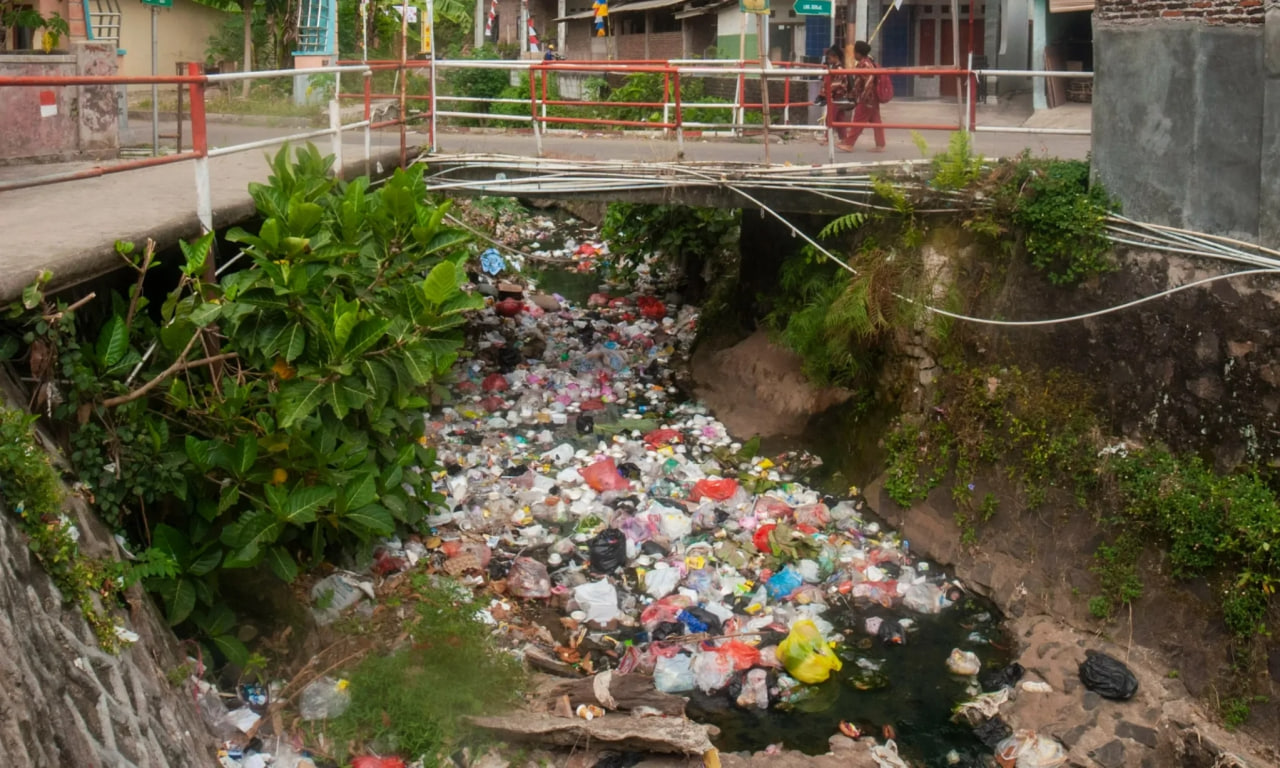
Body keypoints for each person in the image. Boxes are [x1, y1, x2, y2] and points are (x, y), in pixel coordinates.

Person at [837, 40, 886, 153]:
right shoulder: (868, 62)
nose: (853, 54)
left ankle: (849, 144)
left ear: (859, 53)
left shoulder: (865, 65)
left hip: (867, 98)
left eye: (854, 52)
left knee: (858, 120)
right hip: (872, 97)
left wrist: (863, 98)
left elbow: (868, 82)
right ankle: (880, 144)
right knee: (876, 121)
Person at [818, 46, 851, 146]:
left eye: (830, 58)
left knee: (830, 118)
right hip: (838, 96)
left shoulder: (839, 68)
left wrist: (825, 91)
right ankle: (844, 138)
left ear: (835, 57)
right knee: (840, 118)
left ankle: (827, 139)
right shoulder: (835, 67)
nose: (829, 60)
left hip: (837, 96)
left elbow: (836, 84)